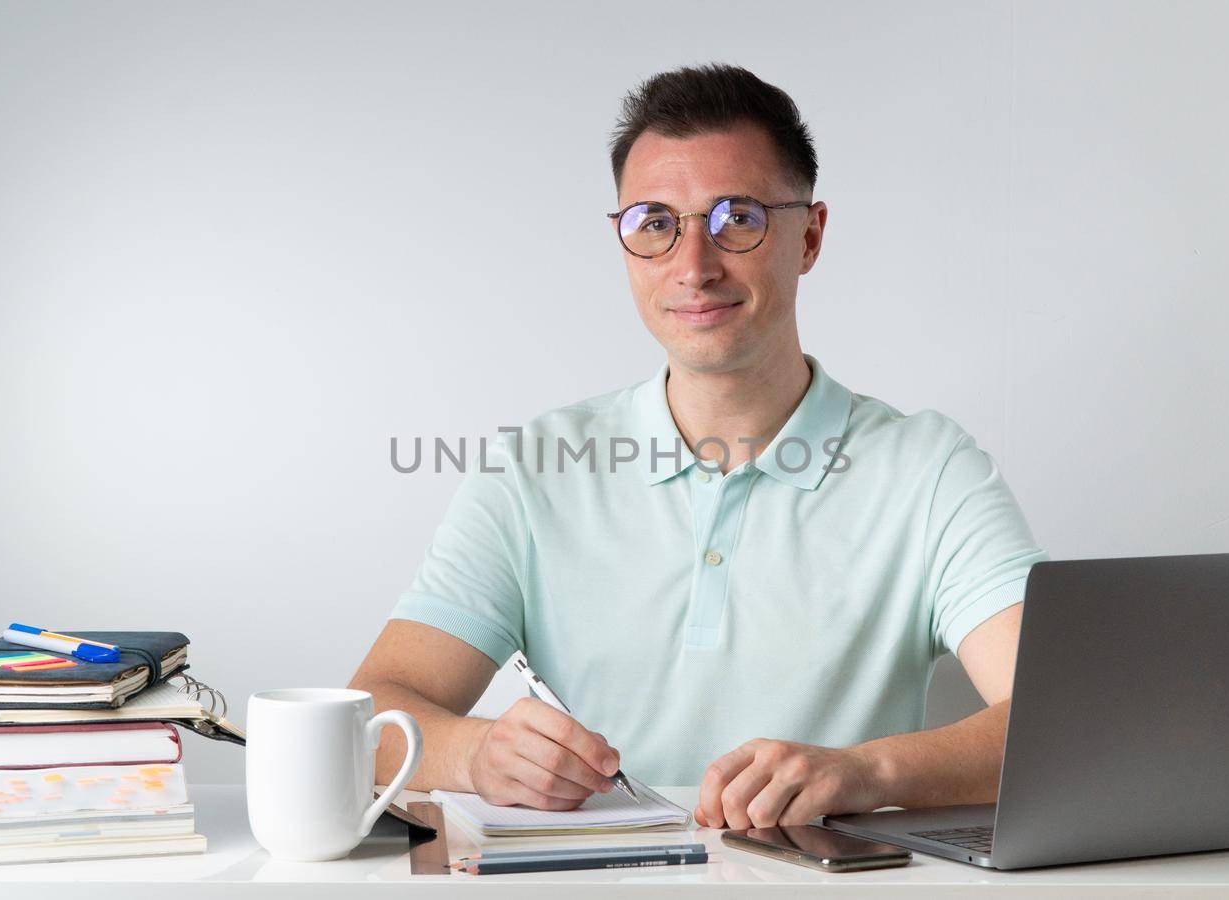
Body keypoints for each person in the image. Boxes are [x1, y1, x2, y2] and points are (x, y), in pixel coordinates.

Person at [349, 63, 1047, 830]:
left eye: (737, 219)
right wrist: (475, 753)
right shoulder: (533, 470)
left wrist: (866, 770)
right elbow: (373, 710)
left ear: (809, 236)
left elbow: (1060, 716)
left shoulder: (931, 470)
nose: (693, 267)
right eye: (655, 223)